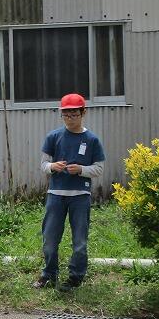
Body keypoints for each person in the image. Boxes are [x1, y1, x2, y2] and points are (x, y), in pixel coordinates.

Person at [33, 93, 105, 292]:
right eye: (66, 114)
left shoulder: (92, 140)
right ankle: (49, 274)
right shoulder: (53, 136)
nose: (70, 118)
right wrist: (52, 166)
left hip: (80, 196)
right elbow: (43, 164)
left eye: (74, 114)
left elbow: (99, 168)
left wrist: (81, 170)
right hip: (55, 194)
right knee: (49, 239)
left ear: (83, 113)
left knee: (80, 241)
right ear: (61, 114)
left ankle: (75, 277)